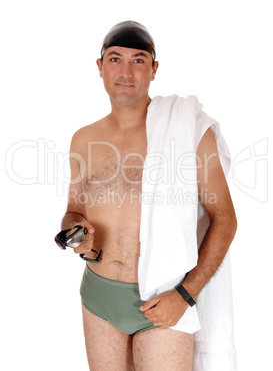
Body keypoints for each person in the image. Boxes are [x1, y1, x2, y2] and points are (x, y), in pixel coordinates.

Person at [60, 21, 237, 370]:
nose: (125, 71)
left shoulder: (187, 130)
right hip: (98, 297)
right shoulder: (83, 139)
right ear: (100, 67)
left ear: (154, 69)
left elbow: (226, 219)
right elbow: (74, 211)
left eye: (138, 61)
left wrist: (185, 296)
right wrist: (74, 233)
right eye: (115, 59)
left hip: (164, 299)